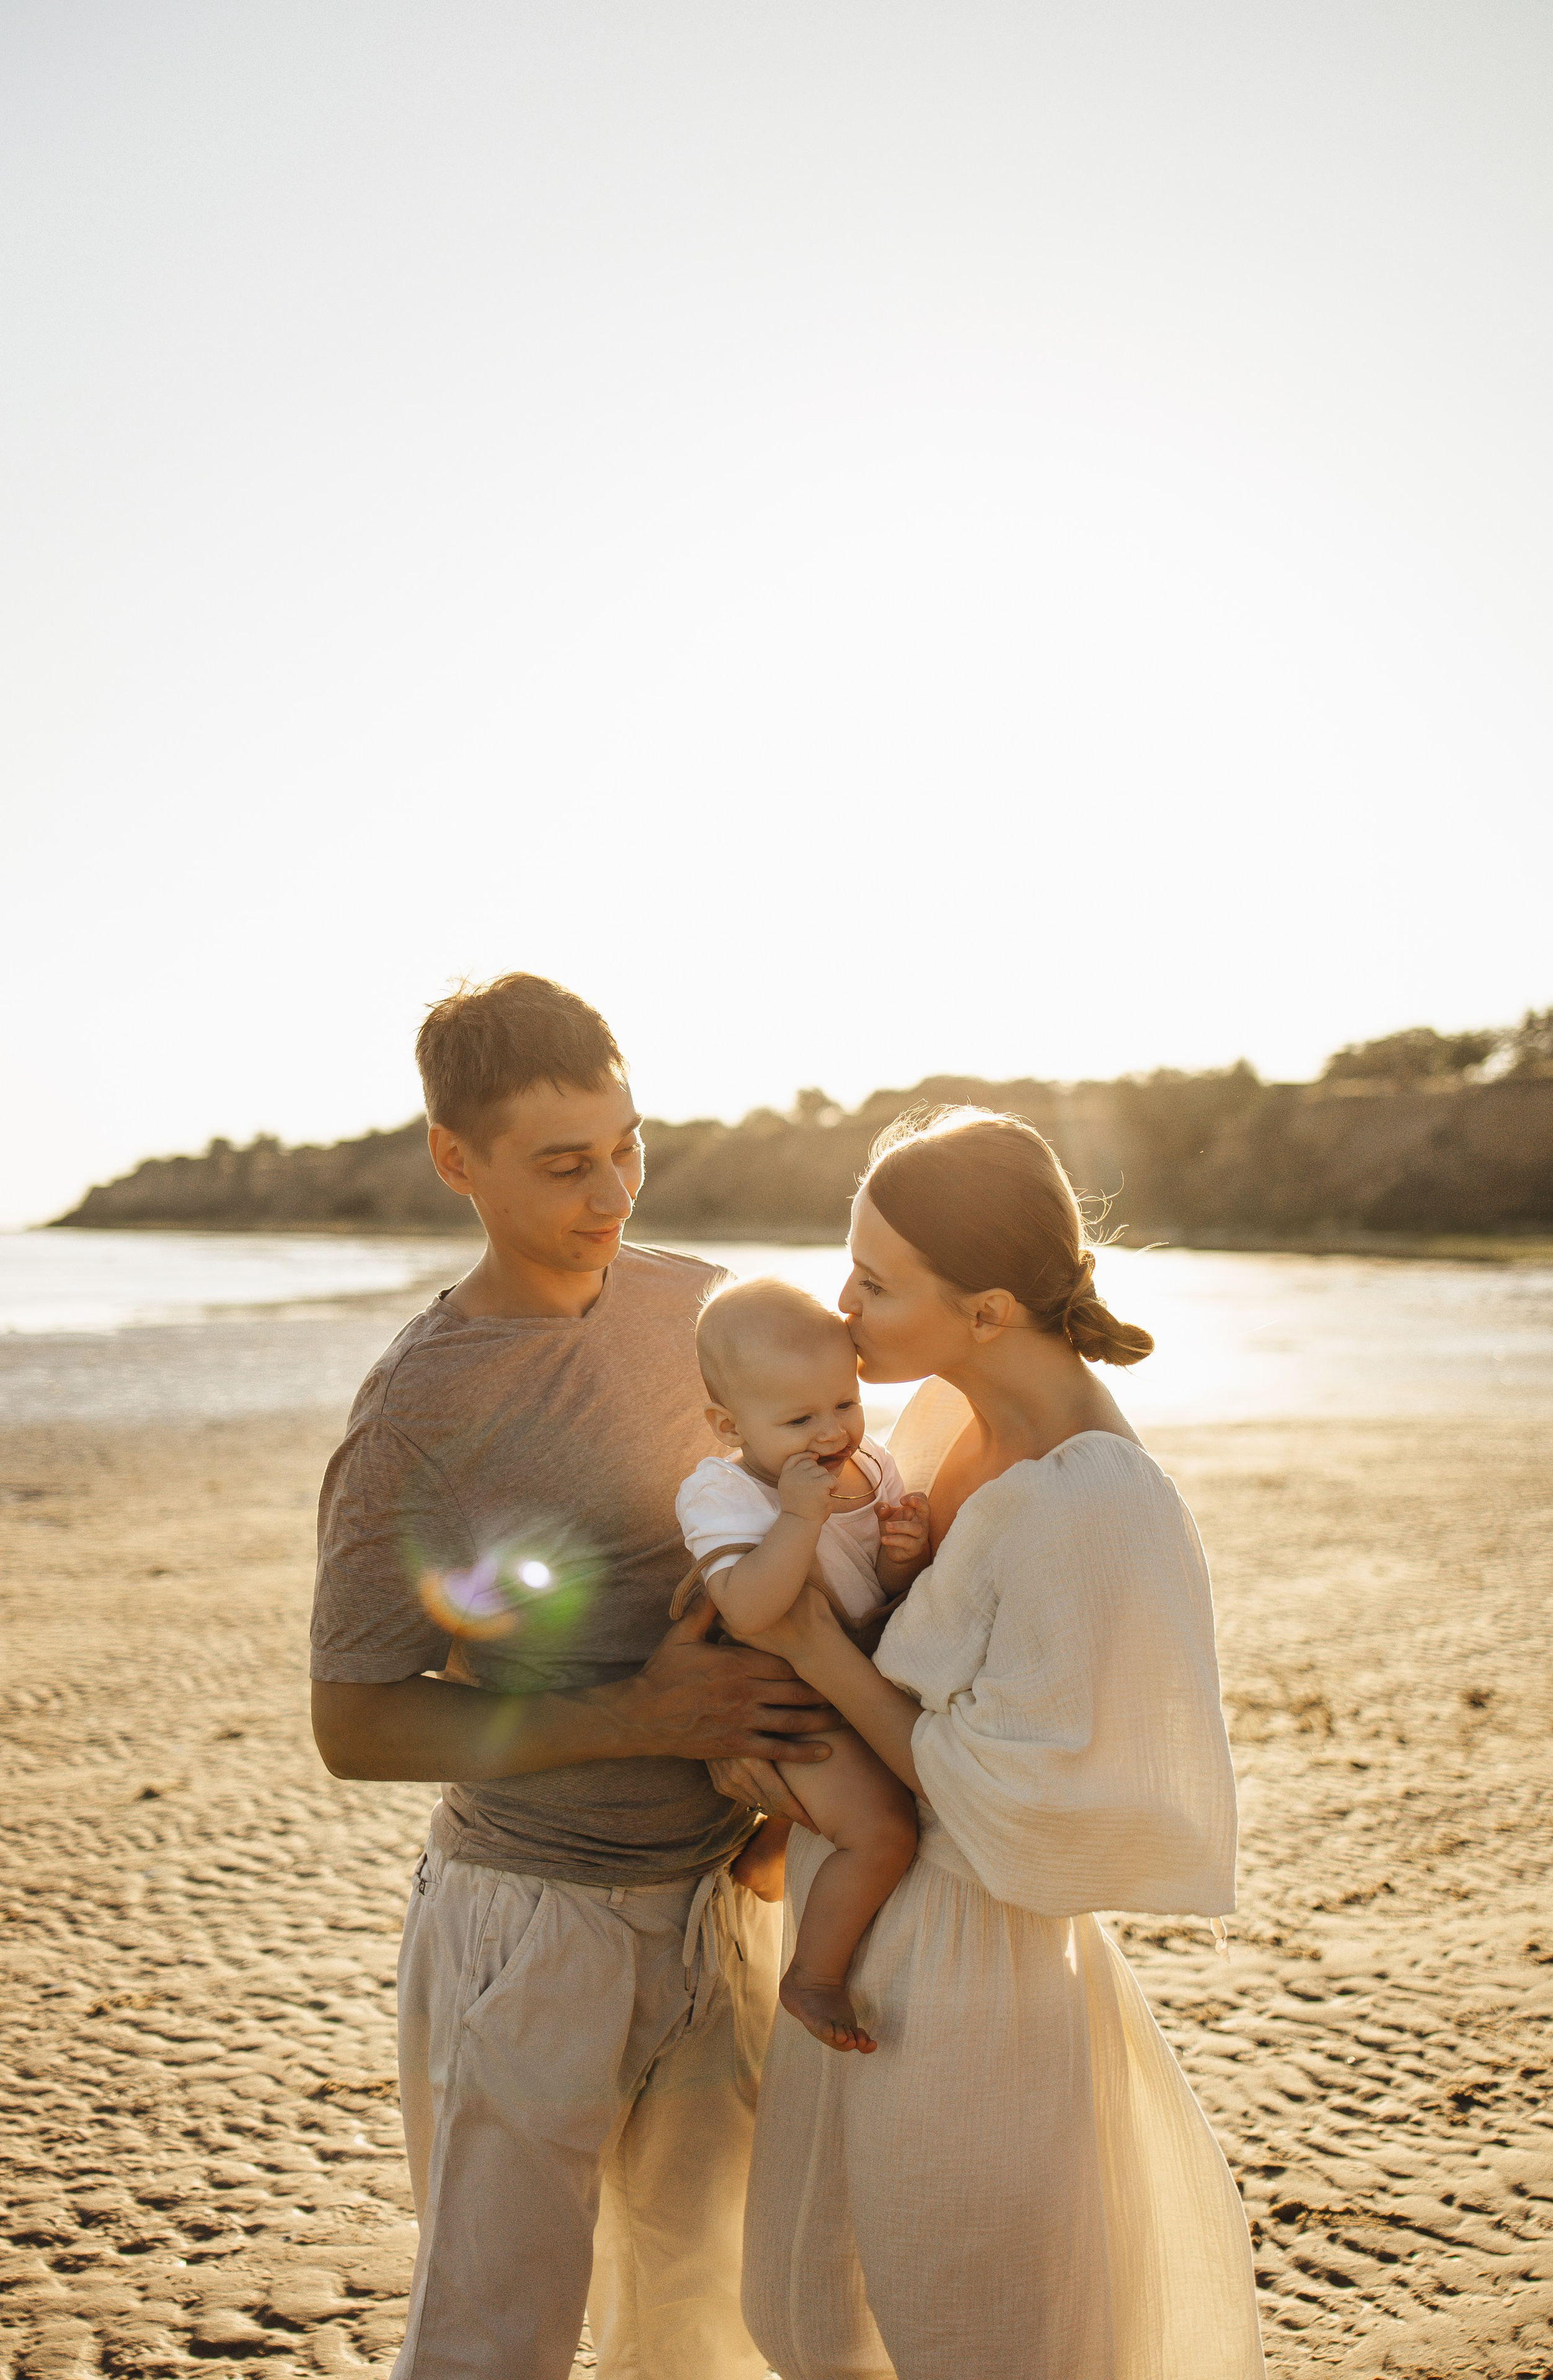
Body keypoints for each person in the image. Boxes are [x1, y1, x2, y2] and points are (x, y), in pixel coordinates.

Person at [308, 972, 836, 2380]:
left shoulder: (704, 1311)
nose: (611, 1192)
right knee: (493, 2341)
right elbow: (354, 1720)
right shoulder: (419, 1405)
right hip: (526, 1929)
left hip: (720, 1913)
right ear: (453, 1160)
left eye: (627, 1143)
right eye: (563, 1164)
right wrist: (639, 1712)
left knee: (705, 2335)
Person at [732, 1107, 1267, 2380]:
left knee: (962, 2320)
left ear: (982, 1311)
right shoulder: (928, 1429)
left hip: (963, 1975)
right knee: (817, 2308)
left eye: (872, 1281)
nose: (840, 1306)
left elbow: (989, 1791)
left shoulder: (1091, 1499)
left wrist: (810, 1654)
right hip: (865, 1930)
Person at [676, 1278, 931, 2053]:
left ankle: (773, 1849)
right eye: (798, 1419)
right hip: (787, 1699)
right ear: (729, 1424)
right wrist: (794, 1519)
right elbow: (750, 1610)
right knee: (884, 1832)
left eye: (844, 1404)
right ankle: (814, 1975)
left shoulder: (872, 1465)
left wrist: (899, 1558)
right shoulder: (723, 1493)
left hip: (849, 1676)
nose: (831, 1433)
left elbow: (868, 1595)